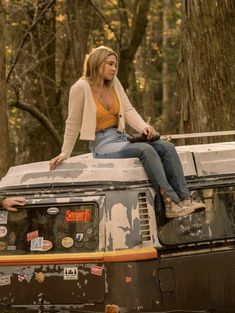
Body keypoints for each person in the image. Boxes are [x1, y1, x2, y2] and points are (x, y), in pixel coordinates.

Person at [49, 45, 205, 218]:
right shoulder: (80, 88)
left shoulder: (114, 83)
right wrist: (65, 152)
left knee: (166, 147)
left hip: (121, 136)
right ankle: (170, 203)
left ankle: (185, 198)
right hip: (102, 143)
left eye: (115, 65)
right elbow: (73, 122)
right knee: (145, 149)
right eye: (110, 64)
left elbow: (128, 110)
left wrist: (144, 127)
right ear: (97, 63)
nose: (114, 68)